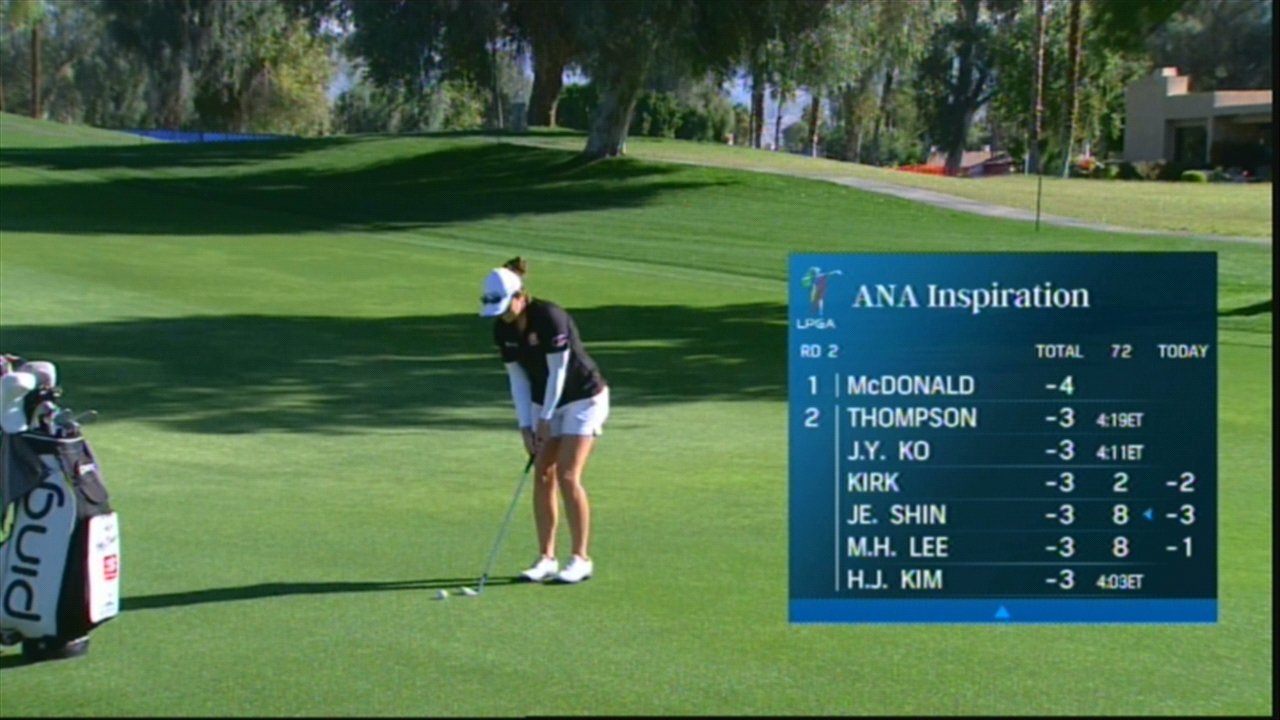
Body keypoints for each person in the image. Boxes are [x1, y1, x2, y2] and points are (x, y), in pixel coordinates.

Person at [479, 257, 609, 584]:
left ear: (519, 296)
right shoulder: (503, 328)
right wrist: (526, 425)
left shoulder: (550, 317)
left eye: (506, 307)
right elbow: (517, 379)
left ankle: (580, 559)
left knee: (567, 474)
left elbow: (558, 372)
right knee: (542, 472)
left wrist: (546, 419)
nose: (503, 315)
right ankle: (546, 558)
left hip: (583, 398)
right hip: (543, 399)